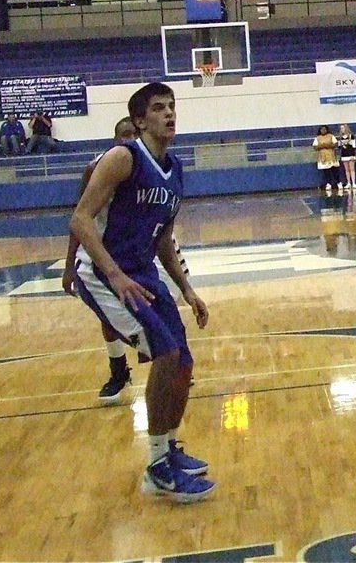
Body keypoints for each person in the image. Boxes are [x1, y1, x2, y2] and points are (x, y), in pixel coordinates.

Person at [68, 83, 213, 502]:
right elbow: (80, 219)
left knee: (183, 361)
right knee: (164, 354)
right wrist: (114, 276)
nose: (169, 113)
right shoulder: (123, 157)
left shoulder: (176, 169)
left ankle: (167, 448)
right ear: (139, 120)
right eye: (158, 108)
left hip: (144, 270)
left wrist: (187, 289)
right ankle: (156, 468)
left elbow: (164, 239)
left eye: (172, 106)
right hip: (104, 271)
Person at [313, 125, 340, 192]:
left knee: (334, 170)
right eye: (322, 130)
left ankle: (338, 183)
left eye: (325, 129)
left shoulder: (331, 136)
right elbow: (315, 147)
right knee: (326, 171)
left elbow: (336, 144)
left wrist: (328, 145)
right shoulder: (317, 138)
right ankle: (328, 183)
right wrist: (322, 146)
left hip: (331, 156)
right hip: (323, 157)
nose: (323, 131)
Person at [338, 124, 356, 190]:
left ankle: (354, 182)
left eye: (343, 128)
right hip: (344, 155)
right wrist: (342, 146)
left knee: (352, 169)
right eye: (341, 128)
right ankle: (348, 183)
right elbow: (339, 147)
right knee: (346, 170)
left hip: (351, 154)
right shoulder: (340, 137)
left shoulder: (351, 136)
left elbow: (354, 146)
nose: (342, 129)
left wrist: (352, 155)